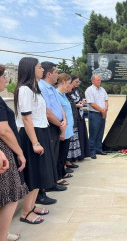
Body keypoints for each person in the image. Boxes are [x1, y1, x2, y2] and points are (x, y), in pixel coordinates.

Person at [0, 63, 28, 241]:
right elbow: (3, 130)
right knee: (12, 196)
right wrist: (20, 153)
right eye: (3, 78)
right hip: (0, 152)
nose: (6, 80)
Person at [15, 57, 58, 224]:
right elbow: (26, 118)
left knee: (41, 173)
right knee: (33, 174)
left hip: (41, 131)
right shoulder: (25, 89)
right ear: (30, 69)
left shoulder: (35, 89)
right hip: (32, 134)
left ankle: (31, 207)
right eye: (39, 67)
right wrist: (35, 142)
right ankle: (25, 212)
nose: (42, 70)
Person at [36, 61, 67, 205]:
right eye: (55, 72)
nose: (57, 75)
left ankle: (52, 182)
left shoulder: (52, 88)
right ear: (49, 74)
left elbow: (59, 107)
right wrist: (59, 124)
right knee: (46, 158)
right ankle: (41, 191)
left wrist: (63, 120)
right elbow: (47, 112)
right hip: (49, 126)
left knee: (54, 156)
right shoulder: (41, 87)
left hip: (57, 125)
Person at [66, 75, 89, 166]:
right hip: (73, 116)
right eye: (76, 82)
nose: (77, 84)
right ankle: (70, 159)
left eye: (78, 82)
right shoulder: (67, 92)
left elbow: (79, 99)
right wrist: (76, 105)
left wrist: (82, 103)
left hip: (80, 115)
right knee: (74, 137)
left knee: (80, 135)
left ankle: (80, 154)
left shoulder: (77, 90)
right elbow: (69, 104)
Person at [56, 73, 75, 185]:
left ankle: (62, 172)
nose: (70, 86)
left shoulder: (63, 95)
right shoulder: (57, 95)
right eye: (69, 83)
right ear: (63, 82)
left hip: (68, 130)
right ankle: (58, 177)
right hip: (63, 130)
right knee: (60, 155)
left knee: (64, 154)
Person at [85, 74, 108, 159]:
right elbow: (92, 104)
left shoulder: (102, 89)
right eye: (98, 80)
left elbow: (106, 100)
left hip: (103, 113)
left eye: (100, 80)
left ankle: (99, 149)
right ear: (93, 81)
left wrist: (105, 110)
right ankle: (91, 151)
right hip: (94, 114)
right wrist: (102, 111)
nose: (100, 81)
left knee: (100, 132)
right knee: (93, 133)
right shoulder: (89, 90)